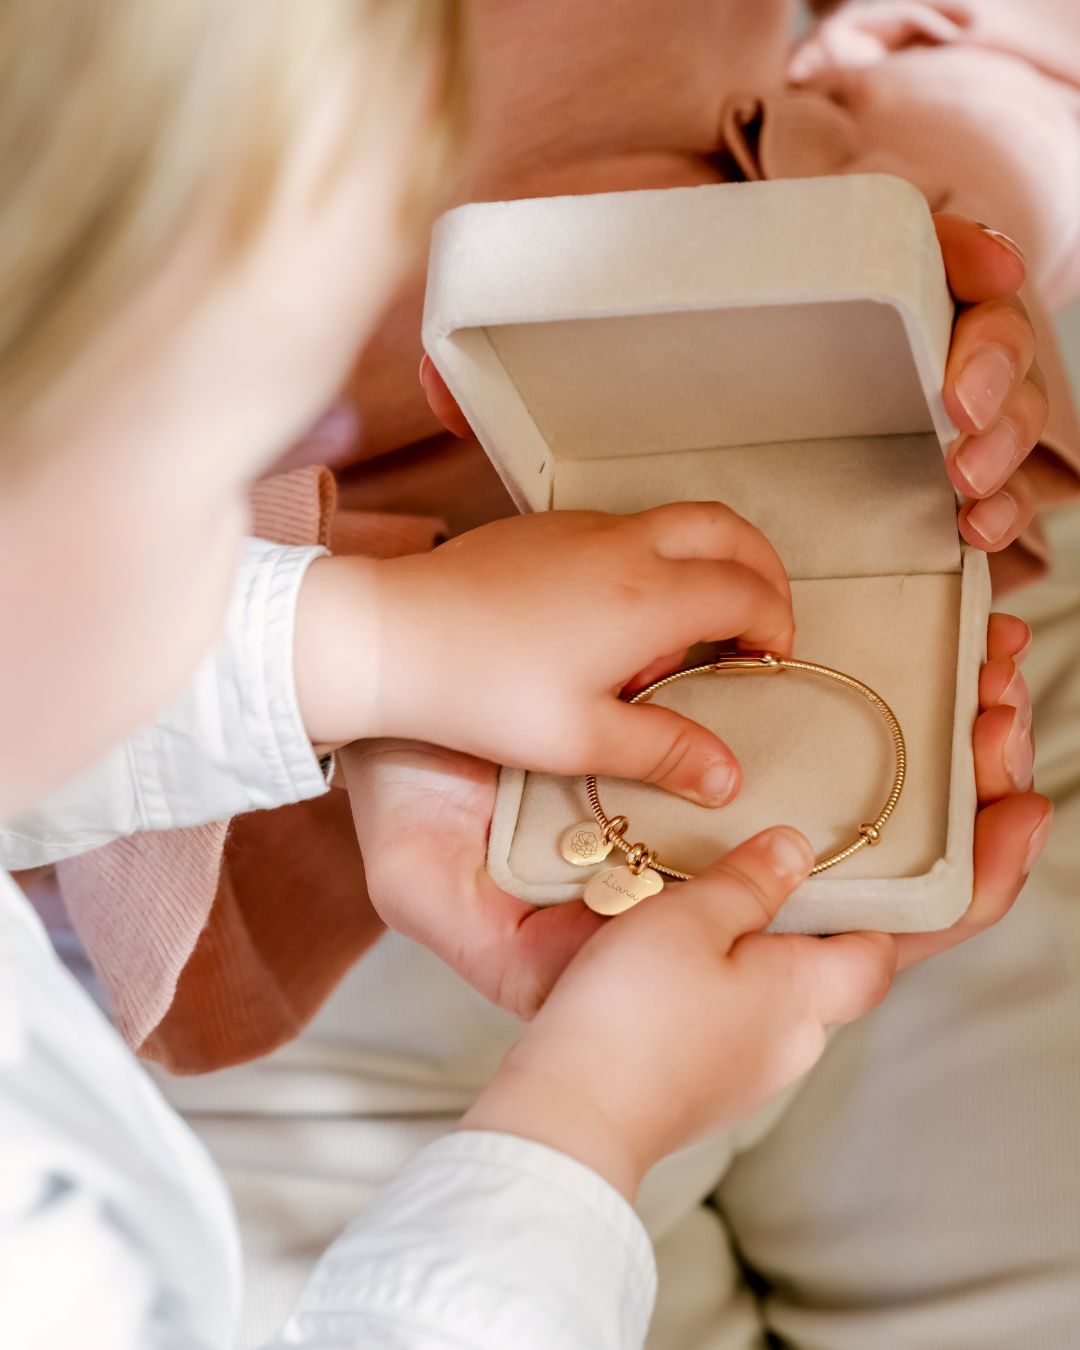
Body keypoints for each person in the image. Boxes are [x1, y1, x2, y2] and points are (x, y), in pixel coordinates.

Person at [0, 4, 1066, 1349]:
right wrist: (580, 1122)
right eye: (229, 473)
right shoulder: (50, 1234)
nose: (268, 515)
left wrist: (363, 644)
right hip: (345, 1007)